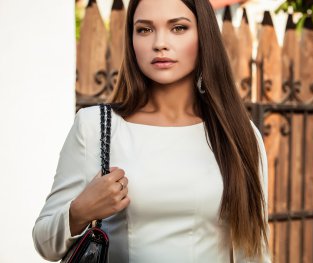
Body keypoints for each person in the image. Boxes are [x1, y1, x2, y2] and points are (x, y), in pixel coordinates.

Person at [32, 0, 271, 262]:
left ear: (204, 36)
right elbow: (45, 242)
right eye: (144, 30)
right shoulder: (96, 127)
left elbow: (254, 250)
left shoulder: (238, 134)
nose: (159, 43)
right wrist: (80, 211)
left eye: (178, 28)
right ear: (131, 39)